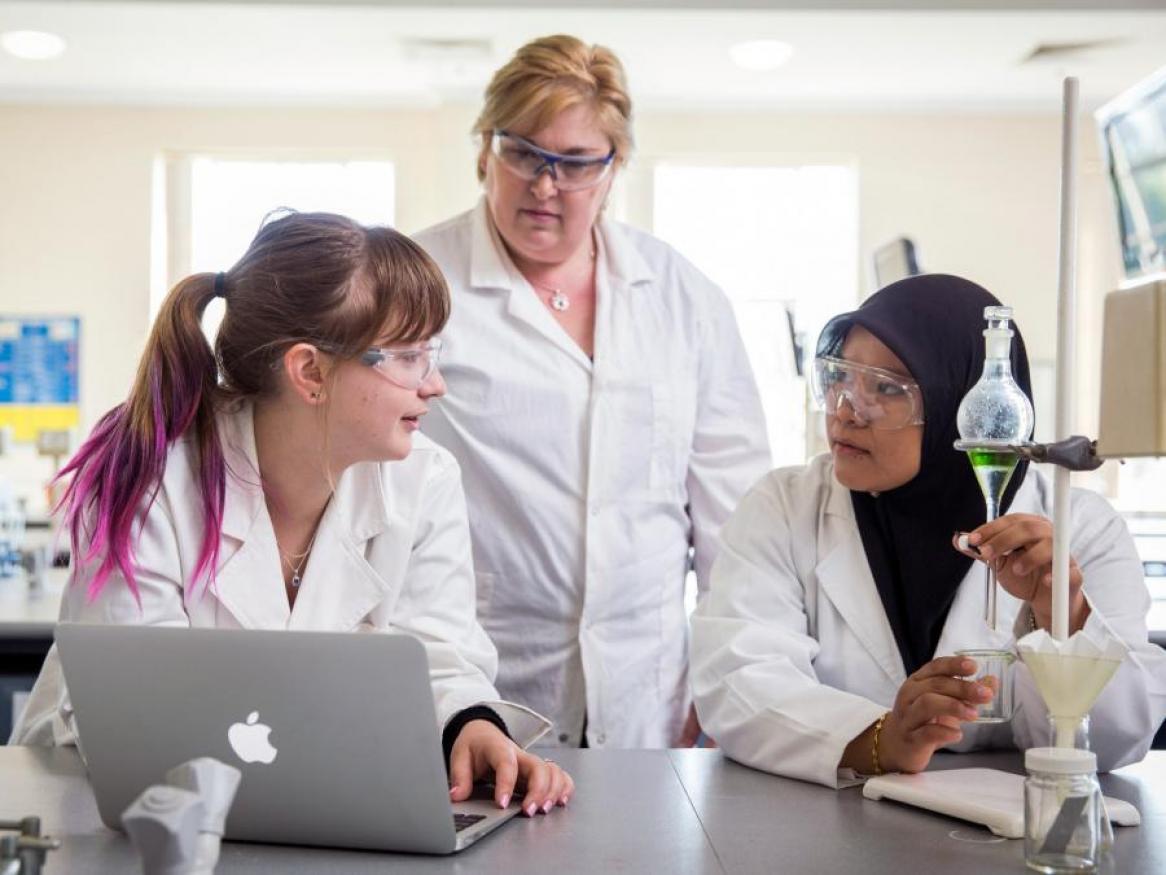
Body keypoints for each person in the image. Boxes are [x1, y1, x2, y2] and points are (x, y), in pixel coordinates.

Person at [12, 211, 573, 817]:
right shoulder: (154, 478)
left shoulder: (424, 480)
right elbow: (138, 707)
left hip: (312, 806)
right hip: (100, 812)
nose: (435, 384)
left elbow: (437, 655)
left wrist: (472, 725)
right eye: (409, 356)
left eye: (431, 354)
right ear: (311, 372)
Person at [414, 35, 770, 749]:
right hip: (481, 679)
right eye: (524, 154)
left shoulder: (683, 297)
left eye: (576, 164)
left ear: (613, 171)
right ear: (485, 149)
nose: (546, 185)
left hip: (652, 686)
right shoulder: (418, 283)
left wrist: (727, 677)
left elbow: (736, 516)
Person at [690, 273, 1166, 788]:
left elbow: (1119, 739)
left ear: (961, 407)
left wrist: (1064, 617)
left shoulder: (1080, 528)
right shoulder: (785, 506)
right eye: (839, 378)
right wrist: (882, 739)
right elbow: (737, 681)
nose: (846, 412)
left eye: (887, 389)